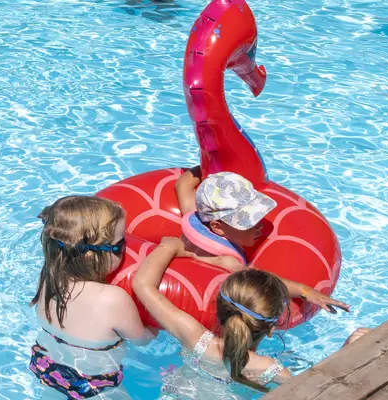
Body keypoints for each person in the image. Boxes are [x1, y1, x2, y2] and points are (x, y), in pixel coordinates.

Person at [28, 195, 154, 399]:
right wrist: (158, 321)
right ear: (98, 254)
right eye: (121, 243)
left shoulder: (48, 278)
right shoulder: (112, 299)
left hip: (47, 369)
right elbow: (142, 340)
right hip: (95, 387)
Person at [170, 171, 349, 314]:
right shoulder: (228, 262)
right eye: (247, 222)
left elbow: (183, 183)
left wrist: (210, 170)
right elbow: (264, 281)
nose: (260, 226)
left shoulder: (193, 212)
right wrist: (305, 291)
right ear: (217, 227)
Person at [133, 236, 293, 394]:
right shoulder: (273, 371)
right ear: (272, 329)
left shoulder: (195, 338)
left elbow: (142, 284)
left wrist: (169, 247)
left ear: (219, 308)